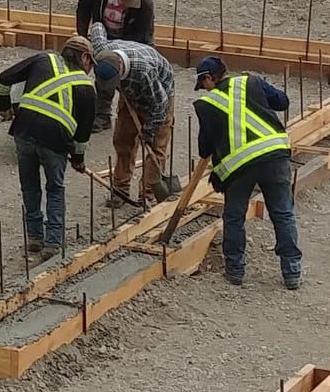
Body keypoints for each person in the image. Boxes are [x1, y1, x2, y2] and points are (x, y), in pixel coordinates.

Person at [192, 53, 302, 289]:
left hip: (239, 168)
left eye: (203, 85)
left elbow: (204, 149)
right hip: (275, 156)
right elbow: (282, 102)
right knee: (283, 213)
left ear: (210, 78)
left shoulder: (206, 105)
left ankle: (235, 271)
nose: (203, 90)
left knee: (234, 217)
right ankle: (292, 271)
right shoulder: (250, 81)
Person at [0, 34, 97, 260]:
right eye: (91, 62)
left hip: (23, 131)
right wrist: (78, 159)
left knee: (30, 186)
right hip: (55, 140)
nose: (90, 69)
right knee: (55, 188)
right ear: (83, 57)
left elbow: (4, 79)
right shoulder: (86, 87)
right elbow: (82, 133)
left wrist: (5, 108)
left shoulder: (43, 60)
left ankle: (34, 237)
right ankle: (52, 243)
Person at [93, 38, 177, 206]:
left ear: (121, 69)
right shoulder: (103, 51)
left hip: (160, 96)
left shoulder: (144, 71)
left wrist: (148, 131)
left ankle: (148, 194)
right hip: (130, 95)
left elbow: (159, 105)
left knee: (156, 147)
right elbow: (97, 27)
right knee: (123, 141)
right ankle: (120, 190)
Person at [75, 0, 156, 48]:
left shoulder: (145, 3)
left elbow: (146, 33)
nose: (127, 6)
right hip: (102, 33)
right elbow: (83, 9)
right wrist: (83, 37)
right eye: (125, 2)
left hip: (127, 40)